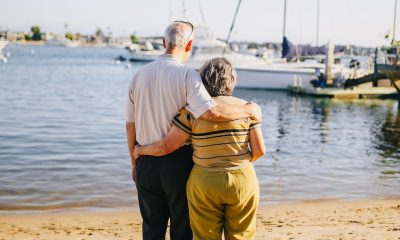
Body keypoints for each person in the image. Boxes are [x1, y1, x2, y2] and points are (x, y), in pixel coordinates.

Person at [125, 21, 262, 240]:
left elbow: (130, 124)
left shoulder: (138, 75)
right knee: (182, 228)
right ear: (189, 45)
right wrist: (248, 111)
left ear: (163, 43)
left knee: (151, 228)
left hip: (145, 162)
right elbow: (211, 113)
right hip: (178, 164)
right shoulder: (189, 75)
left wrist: (135, 159)